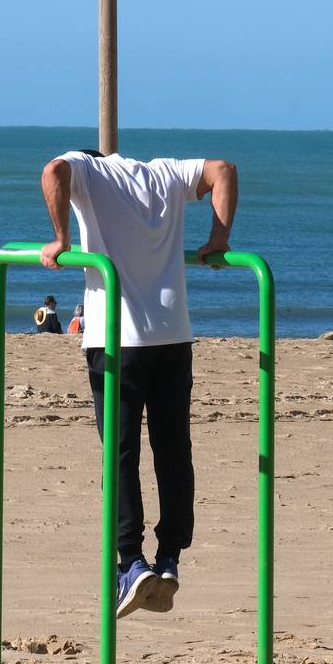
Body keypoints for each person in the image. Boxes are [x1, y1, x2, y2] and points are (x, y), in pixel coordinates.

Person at [39, 148, 239, 619]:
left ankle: (130, 561)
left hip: (117, 338)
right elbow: (223, 171)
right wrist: (219, 237)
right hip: (173, 334)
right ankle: (169, 556)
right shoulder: (164, 172)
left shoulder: (86, 169)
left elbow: (53, 172)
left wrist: (61, 238)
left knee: (121, 452)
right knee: (173, 450)